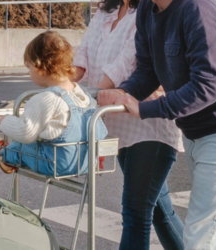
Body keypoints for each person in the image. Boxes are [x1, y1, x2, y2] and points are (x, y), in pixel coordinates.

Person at [96, 0, 216, 248]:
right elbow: (148, 71)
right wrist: (124, 93)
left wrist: (145, 108)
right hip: (194, 132)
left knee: (202, 237)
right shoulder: (148, 9)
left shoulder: (198, 9)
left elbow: (208, 86)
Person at [73, 0, 184, 248]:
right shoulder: (106, 9)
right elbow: (84, 50)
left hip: (148, 125)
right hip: (119, 125)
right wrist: (64, 77)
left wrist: (91, 94)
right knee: (159, 211)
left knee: (136, 215)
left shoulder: (145, 11)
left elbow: (126, 63)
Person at [0, 31, 108, 177]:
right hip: (87, 162)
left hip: (54, 164)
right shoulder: (84, 95)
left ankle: (4, 154)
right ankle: (98, 159)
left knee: (22, 146)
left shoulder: (46, 99)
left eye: (29, 68)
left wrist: (4, 121)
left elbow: (25, 132)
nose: (29, 72)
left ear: (39, 67)